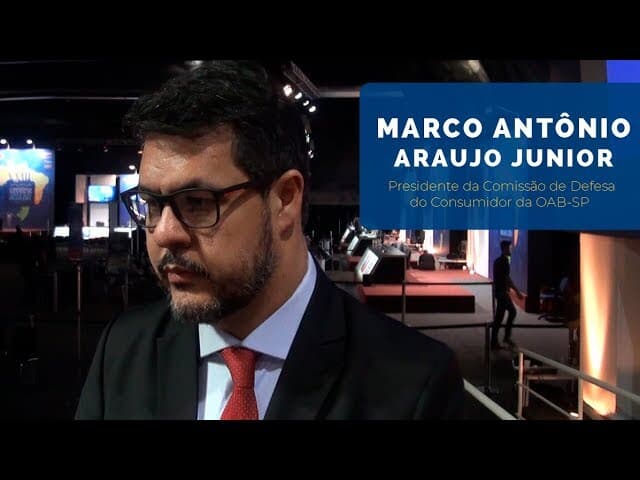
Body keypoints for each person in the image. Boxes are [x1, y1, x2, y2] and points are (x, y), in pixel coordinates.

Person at [75, 60, 464, 420]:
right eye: (151, 204)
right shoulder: (122, 351)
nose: (163, 233)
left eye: (197, 203)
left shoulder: (412, 384)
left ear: (285, 200)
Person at [491, 240, 524, 350]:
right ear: (505, 249)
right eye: (509, 248)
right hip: (502, 293)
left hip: (499, 292)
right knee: (504, 316)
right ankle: (501, 339)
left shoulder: (497, 261)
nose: (511, 250)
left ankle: (498, 340)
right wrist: (517, 291)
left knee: (503, 316)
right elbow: (507, 279)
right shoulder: (504, 261)